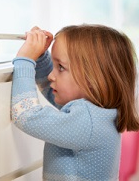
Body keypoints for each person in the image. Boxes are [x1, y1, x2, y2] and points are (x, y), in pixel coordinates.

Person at [11, 24, 139, 181]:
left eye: (61, 67)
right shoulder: (99, 114)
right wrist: (42, 58)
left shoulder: (87, 121)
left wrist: (25, 61)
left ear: (92, 79)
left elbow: (26, 115)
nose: (51, 75)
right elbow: (56, 91)